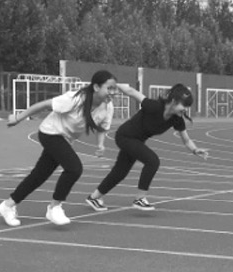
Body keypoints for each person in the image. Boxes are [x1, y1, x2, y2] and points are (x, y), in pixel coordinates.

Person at [0, 70, 117, 227]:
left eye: (114, 89)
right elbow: (44, 105)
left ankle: (8, 205)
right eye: (109, 88)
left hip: (65, 139)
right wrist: (18, 118)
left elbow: (102, 127)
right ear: (96, 87)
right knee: (74, 168)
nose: (113, 92)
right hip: (50, 133)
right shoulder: (76, 99)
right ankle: (54, 207)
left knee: (39, 175)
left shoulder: (108, 107)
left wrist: (100, 144)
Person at [85, 83, 208, 211]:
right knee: (152, 161)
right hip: (125, 136)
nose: (185, 109)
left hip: (136, 141)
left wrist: (195, 149)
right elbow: (132, 92)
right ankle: (140, 199)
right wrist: (112, 84)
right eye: (184, 105)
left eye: (187, 107)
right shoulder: (154, 106)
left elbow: (186, 140)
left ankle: (94, 197)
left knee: (120, 172)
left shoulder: (177, 119)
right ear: (173, 101)